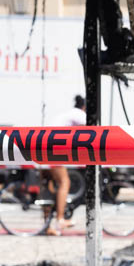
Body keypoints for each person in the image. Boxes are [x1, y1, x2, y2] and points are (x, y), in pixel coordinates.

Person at [45, 95, 86, 236]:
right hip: (53, 148)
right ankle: (60, 219)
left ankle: (48, 227)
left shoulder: (68, 114)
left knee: (48, 189)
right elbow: (92, 130)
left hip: (45, 146)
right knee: (64, 182)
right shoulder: (80, 114)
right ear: (85, 107)